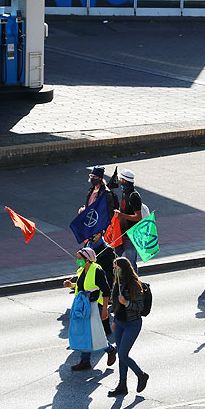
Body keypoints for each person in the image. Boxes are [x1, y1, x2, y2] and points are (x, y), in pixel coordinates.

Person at [64, 248, 117, 371]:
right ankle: (85, 361)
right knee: (84, 332)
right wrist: (71, 285)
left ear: (87, 259)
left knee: (95, 331)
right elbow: (82, 285)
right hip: (83, 305)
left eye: (80, 258)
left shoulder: (97, 270)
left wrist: (104, 309)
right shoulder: (82, 270)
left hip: (94, 305)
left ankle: (110, 350)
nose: (77, 261)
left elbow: (106, 290)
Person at [106, 257, 149, 397]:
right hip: (120, 322)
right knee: (121, 356)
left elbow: (139, 307)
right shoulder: (117, 282)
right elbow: (115, 305)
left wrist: (126, 303)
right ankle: (122, 385)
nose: (114, 271)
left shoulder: (135, 285)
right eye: (113, 268)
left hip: (132, 323)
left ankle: (141, 375)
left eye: (116, 268)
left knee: (123, 354)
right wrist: (115, 318)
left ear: (123, 269)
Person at [113, 169, 143, 270]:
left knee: (131, 263)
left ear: (125, 181)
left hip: (131, 235)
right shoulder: (124, 193)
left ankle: (135, 284)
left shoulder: (134, 196)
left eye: (120, 179)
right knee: (115, 258)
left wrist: (121, 215)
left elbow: (138, 217)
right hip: (121, 234)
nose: (119, 181)